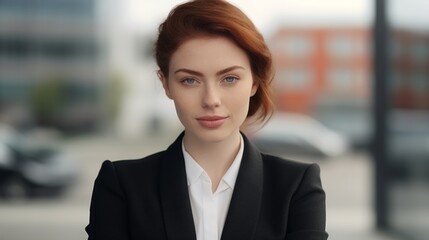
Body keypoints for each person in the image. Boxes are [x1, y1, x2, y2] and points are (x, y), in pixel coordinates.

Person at [86, 0, 328, 239]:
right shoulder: (121, 186)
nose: (211, 100)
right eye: (190, 80)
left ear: (254, 82)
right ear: (166, 84)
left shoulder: (297, 187)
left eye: (230, 79)